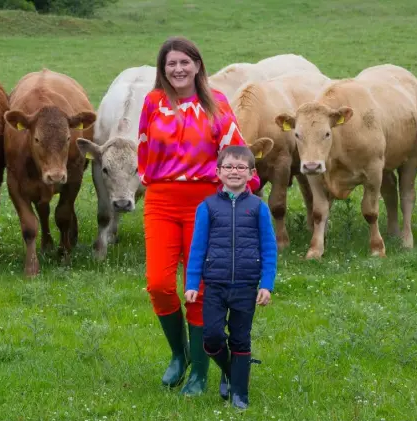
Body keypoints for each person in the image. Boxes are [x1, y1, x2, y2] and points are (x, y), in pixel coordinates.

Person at [137, 35, 261, 396]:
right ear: (163, 69)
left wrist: (245, 193)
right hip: (160, 200)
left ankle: (200, 373)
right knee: (158, 283)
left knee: (201, 289)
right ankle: (180, 354)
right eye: (170, 63)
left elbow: (235, 150)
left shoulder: (217, 104)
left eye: (184, 62)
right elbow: (143, 150)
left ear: (197, 65)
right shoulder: (153, 103)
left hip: (206, 205)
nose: (178, 69)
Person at [184, 145, 277, 409]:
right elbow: (197, 248)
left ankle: (239, 393)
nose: (234, 172)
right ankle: (229, 370)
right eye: (229, 167)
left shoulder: (258, 208)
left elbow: (269, 248)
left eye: (241, 167)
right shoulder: (207, 207)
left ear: (251, 174)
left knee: (240, 338)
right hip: (215, 285)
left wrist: (266, 284)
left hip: (246, 286)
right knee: (211, 337)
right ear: (218, 172)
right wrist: (192, 284)